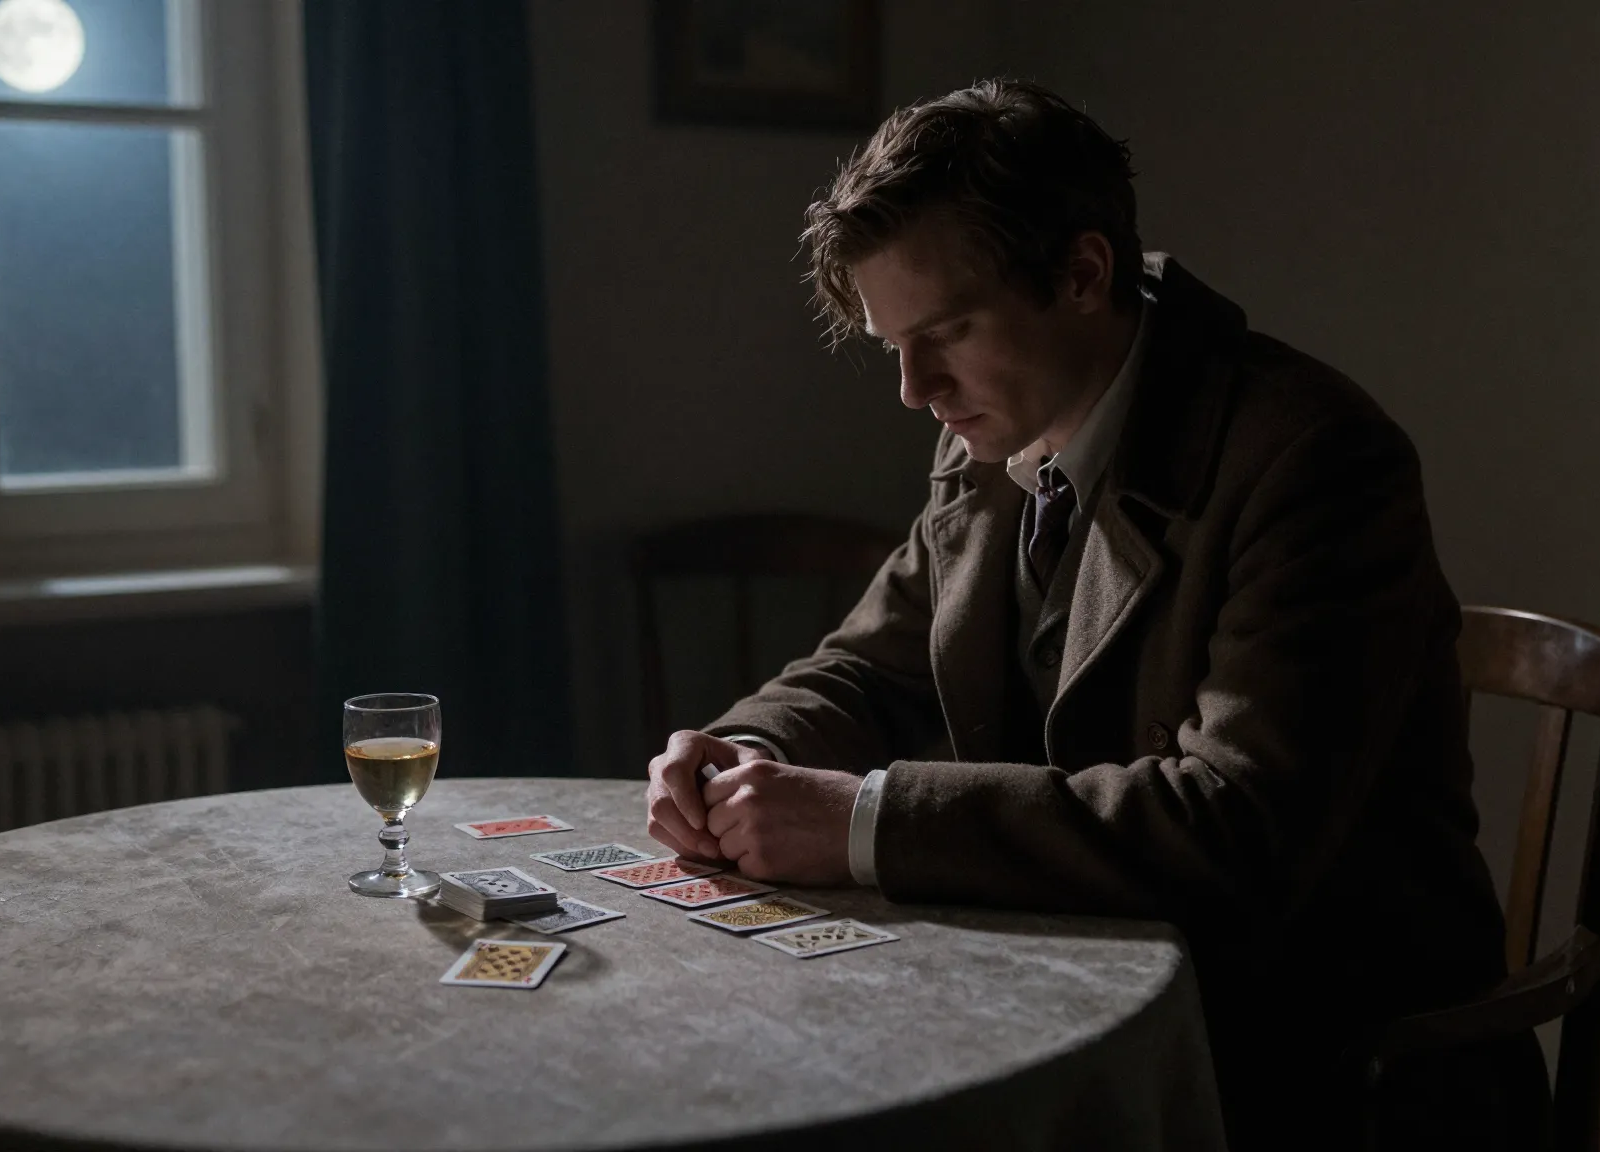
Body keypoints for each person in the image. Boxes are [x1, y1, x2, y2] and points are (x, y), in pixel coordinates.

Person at [641, 80, 1548, 1149]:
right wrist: (742, 751)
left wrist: (860, 821)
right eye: (893, 346)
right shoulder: (991, 431)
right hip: (1073, 980)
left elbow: (1234, 827)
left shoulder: (1314, 459)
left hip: (1317, 1059)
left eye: (946, 332)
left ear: (1081, 273)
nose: (914, 389)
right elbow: (869, 667)